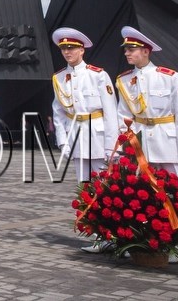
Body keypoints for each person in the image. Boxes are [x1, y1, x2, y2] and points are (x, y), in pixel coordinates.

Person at [116, 25, 178, 268]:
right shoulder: (125, 80)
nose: (127, 53)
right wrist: (124, 142)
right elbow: (122, 115)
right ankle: (153, 244)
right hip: (141, 144)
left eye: (132, 49)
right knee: (145, 197)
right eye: (126, 49)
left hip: (168, 142)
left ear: (146, 51)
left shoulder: (169, 76)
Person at [49, 27, 120, 253]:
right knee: (86, 188)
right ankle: (98, 235)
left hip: (98, 135)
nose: (67, 52)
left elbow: (111, 111)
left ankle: (116, 235)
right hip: (76, 136)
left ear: (82, 49)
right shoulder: (59, 77)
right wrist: (63, 141)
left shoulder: (98, 75)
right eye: (64, 49)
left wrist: (113, 145)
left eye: (71, 48)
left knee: (106, 188)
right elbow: (58, 112)